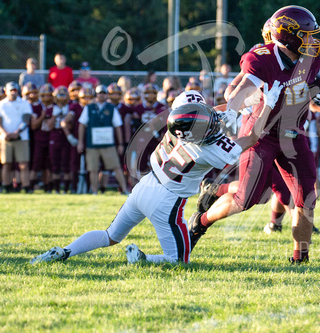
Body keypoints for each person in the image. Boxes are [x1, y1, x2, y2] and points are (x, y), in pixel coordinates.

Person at [30, 84, 282, 265]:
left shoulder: (178, 127)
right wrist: (267, 103)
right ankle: (144, 259)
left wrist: (243, 105)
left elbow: (199, 112)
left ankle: (64, 251)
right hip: (167, 201)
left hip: (145, 186)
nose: (211, 120)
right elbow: (252, 136)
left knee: (110, 236)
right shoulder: (211, 149)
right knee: (179, 261)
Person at [189, 5, 320, 264]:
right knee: (247, 199)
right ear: (288, 36)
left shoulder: (314, 54)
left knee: (307, 199)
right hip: (260, 134)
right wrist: (231, 111)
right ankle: (201, 222)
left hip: (294, 134)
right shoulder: (262, 58)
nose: (312, 41)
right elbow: (238, 93)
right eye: (305, 35)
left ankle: (300, 259)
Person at [77, 84, 128, 195]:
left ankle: (124, 190)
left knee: (116, 167)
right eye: (100, 93)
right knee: (93, 168)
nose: (102, 95)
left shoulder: (111, 108)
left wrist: (120, 143)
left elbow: (118, 126)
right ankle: (94, 191)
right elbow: (81, 125)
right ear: (96, 94)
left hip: (108, 143)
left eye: (104, 93)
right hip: (92, 144)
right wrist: (80, 141)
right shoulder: (89, 107)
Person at [0, 82, 33, 193]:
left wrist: (17, 132)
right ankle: (7, 187)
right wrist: (4, 132)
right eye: (11, 90)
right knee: (6, 164)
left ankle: (26, 187)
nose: (13, 93)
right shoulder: (2, 104)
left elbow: (26, 120)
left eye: (15, 90)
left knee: (23, 164)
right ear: (6, 91)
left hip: (21, 137)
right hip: (6, 138)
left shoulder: (24, 103)